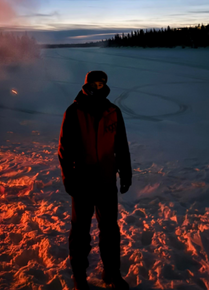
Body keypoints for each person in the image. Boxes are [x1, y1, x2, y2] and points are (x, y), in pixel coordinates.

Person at [59, 71, 132, 290]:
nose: (98, 87)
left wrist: (126, 173)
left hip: (107, 181)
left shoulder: (113, 111)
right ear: (86, 85)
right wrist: (68, 178)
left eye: (102, 84)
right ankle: (79, 275)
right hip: (82, 182)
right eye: (94, 83)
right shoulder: (74, 112)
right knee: (80, 231)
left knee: (110, 230)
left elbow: (121, 146)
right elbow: (65, 149)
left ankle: (112, 273)